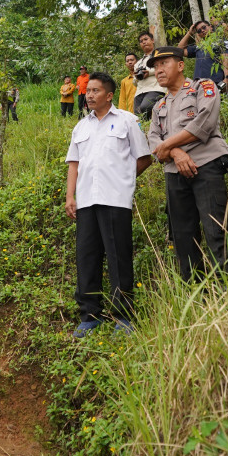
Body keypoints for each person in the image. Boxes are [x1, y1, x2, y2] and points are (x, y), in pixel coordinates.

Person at [65, 72, 152, 336]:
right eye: (88, 90)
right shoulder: (81, 126)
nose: (89, 95)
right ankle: (89, 315)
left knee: (118, 256)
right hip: (87, 200)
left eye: (95, 91)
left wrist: (124, 179)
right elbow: (74, 163)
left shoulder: (128, 121)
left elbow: (145, 157)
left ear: (110, 95)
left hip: (116, 199)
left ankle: (123, 317)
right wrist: (70, 196)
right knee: (87, 257)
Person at [145, 46, 228, 280]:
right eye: (155, 66)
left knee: (217, 230)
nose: (158, 70)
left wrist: (168, 146)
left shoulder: (202, 87)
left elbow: (204, 123)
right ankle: (195, 292)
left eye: (164, 64)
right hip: (174, 172)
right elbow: (153, 141)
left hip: (207, 164)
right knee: (183, 236)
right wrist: (175, 153)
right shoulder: (158, 106)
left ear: (181, 65)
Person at [177, 19, 228, 90]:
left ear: (211, 27)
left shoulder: (221, 42)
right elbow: (179, 50)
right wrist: (189, 33)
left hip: (215, 83)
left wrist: (227, 78)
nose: (202, 30)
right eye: (199, 31)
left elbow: (226, 61)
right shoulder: (198, 47)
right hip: (198, 85)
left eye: (204, 27)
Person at [131, 31, 168, 120]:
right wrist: (136, 77)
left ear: (152, 40)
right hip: (140, 92)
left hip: (155, 89)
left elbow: (165, 68)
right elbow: (134, 83)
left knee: (145, 108)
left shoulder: (160, 56)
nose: (144, 42)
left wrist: (149, 72)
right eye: (141, 41)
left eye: (146, 39)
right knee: (139, 117)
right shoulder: (138, 63)